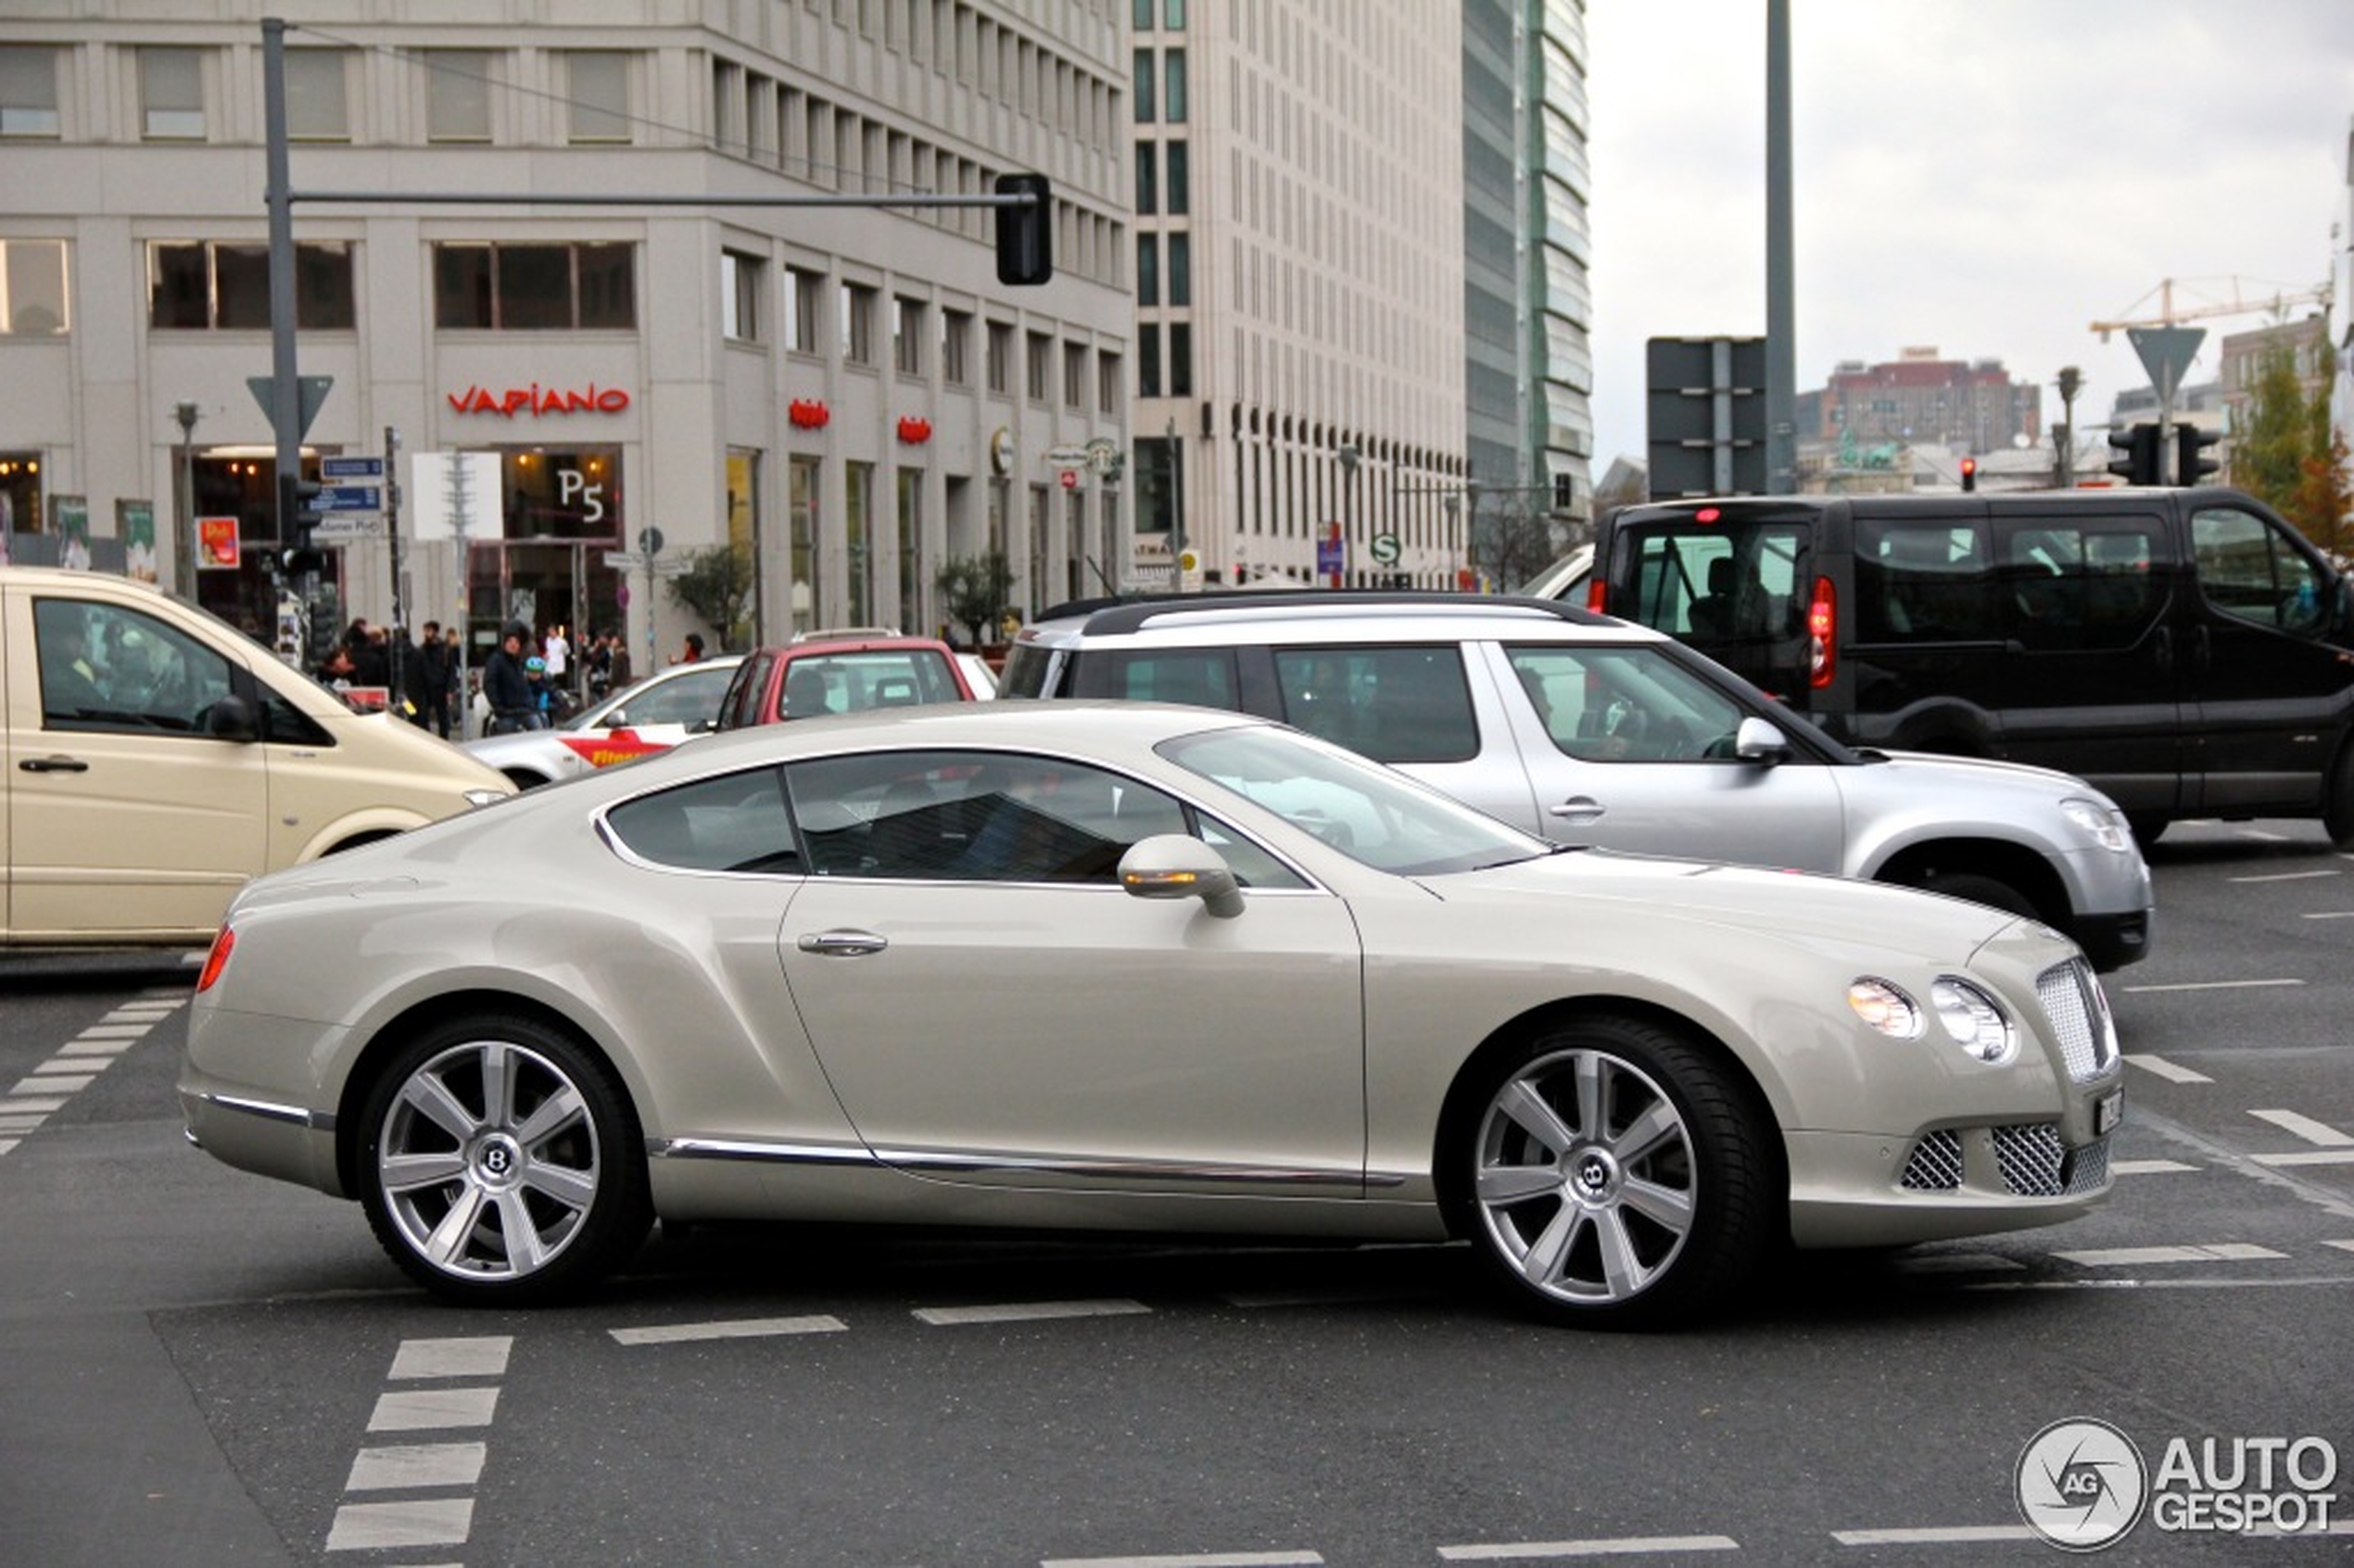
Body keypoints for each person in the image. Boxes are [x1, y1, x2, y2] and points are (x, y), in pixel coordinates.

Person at [481, 621, 539, 733]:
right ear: (505, 643)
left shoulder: (519, 662)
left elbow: (525, 686)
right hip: (507, 714)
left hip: (525, 710)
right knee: (508, 739)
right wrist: (499, 708)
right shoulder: (496, 660)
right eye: (510, 641)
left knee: (539, 734)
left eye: (517, 642)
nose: (513, 645)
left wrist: (531, 704)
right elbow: (489, 684)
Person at [420, 620, 453, 738]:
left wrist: (450, 689)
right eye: (425, 630)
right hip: (425, 688)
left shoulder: (445, 649)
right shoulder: (422, 649)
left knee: (442, 718)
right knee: (423, 716)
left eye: (428, 630)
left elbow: (451, 671)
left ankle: (444, 739)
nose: (426, 633)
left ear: (435, 632)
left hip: (441, 687)